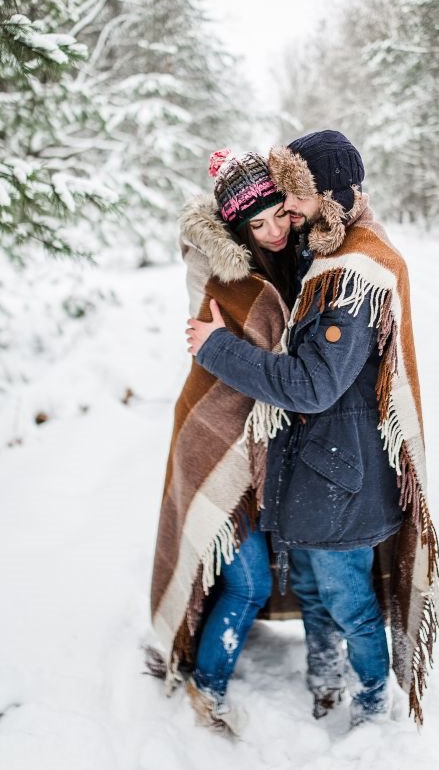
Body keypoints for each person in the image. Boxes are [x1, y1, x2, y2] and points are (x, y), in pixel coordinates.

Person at [186, 130, 439, 727]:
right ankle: (324, 682)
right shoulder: (320, 256)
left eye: (293, 204)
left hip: (339, 480)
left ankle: (373, 706)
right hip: (312, 475)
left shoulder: (351, 274)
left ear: (328, 196)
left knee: (350, 605)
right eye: (276, 211)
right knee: (317, 598)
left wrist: (219, 350)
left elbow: (312, 385)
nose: (287, 220)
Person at [149, 149, 297, 735]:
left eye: (278, 216)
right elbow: (224, 350)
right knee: (251, 578)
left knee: (250, 566)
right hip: (214, 436)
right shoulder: (224, 275)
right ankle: (205, 685)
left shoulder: (288, 260)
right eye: (257, 225)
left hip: (259, 442)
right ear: (236, 229)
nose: (274, 231)